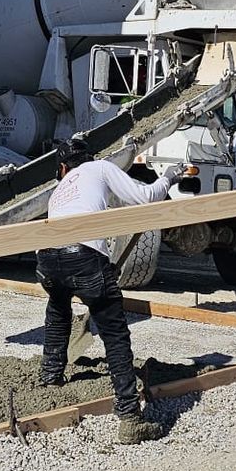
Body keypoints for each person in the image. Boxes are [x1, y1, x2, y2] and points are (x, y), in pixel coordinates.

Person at [35, 138, 194, 444]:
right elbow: (145, 197)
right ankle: (130, 419)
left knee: (57, 311)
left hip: (48, 260)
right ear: (89, 158)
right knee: (114, 332)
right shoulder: (100, 167)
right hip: (84, 257)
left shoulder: (61, 187)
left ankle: (50, 380)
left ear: (64, 167)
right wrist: (170, 177)